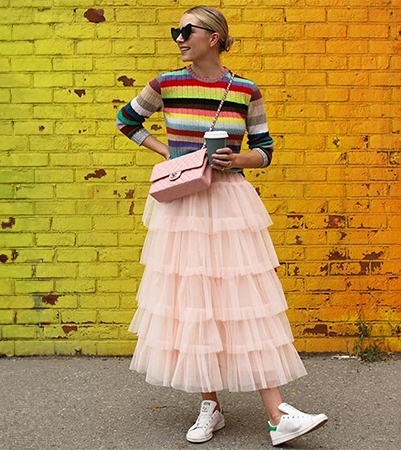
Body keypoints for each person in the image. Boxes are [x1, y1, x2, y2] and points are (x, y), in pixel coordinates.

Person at [116, 6, 328, 447]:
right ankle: (209, 405)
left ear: (213, 37)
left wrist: (239, 158)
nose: (178, 38)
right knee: (195, 300)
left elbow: (265, 149)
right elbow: (127, 121)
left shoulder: (245, 90)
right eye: (177, 31)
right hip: (184, 203)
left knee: (247, 299)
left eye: (186, 31)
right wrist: (168, 154)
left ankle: (278, 415)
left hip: (230, 200)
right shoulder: (166, 84)